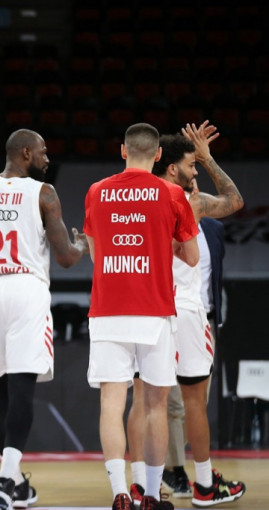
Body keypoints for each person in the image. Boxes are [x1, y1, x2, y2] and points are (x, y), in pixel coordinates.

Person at [0, 129, 89, 509]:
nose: (47, 157)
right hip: (26, 289)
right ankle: (5, 478)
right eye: (43, 151)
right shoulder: (43, 193)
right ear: (26, 153)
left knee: (1, 390)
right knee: (22, 388)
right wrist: (82, 245)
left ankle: (13, 482)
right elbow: (66, 258)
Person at [126, 123, 245, 508]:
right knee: (194, 401)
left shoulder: (136, 199)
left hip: (148, 308)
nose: (195, 171)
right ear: (173, 167)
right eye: (192, 165)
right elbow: (234, 199)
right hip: (186, 311)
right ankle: (205, 485)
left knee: (144, 401)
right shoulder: (188, 201)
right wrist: (208, 158)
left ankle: (141, 485)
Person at [83, 123, 199, 510]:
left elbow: (96, 255)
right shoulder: (172, 193)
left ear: (123, 150)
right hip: (154, 310)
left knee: (112, 404)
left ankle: (120, 492)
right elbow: (192, 257)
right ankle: (150, 495)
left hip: (108, 309)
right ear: (159, 155)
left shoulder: (96, 191)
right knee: (154, 405)